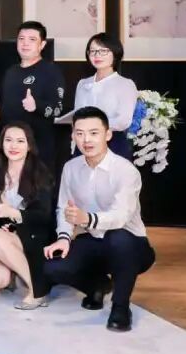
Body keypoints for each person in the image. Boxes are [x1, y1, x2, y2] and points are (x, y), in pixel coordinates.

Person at [43, 107, 156, 332]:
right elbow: (65, 207)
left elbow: (121, 216)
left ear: (108, 134)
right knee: (53, 267)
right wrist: (64, 237)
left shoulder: (125, 171)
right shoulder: (71, 168)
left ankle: (121, 307)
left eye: (94, 133)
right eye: (80, 133)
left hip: (131, 245)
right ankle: (97, 286)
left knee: (119, 239)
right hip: (93, 240)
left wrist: (88, 218)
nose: (86, 140)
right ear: (73, 136)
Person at [0, 122, 54, 309]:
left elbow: (44, 217)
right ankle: (16, 272)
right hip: (4, 237)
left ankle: (37, 290)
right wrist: (1, 225)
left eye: (20, 141)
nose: (14, 146)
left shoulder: (39, 173)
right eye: (9, 140)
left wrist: (16, 215)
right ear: (1, 143)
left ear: (29, 145)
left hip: (33, 237)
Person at [0, 21, 65, 169]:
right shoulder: (11, 72)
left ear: (42, 44)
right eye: (21, 39)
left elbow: (58, 109)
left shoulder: (51, 71)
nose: (25, 43)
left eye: (32, 39)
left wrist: (37, 106)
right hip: (10, 147)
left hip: (39, 148)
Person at [69, 32, 139, 160]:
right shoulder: (83, 83)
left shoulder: (125, 84)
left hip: (113, 143)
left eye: (103, 51)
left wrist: (93, 127)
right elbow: (78, 114)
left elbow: (123, 121)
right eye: (93, 51)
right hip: (84, 144)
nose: (97, 55)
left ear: (115, 53)